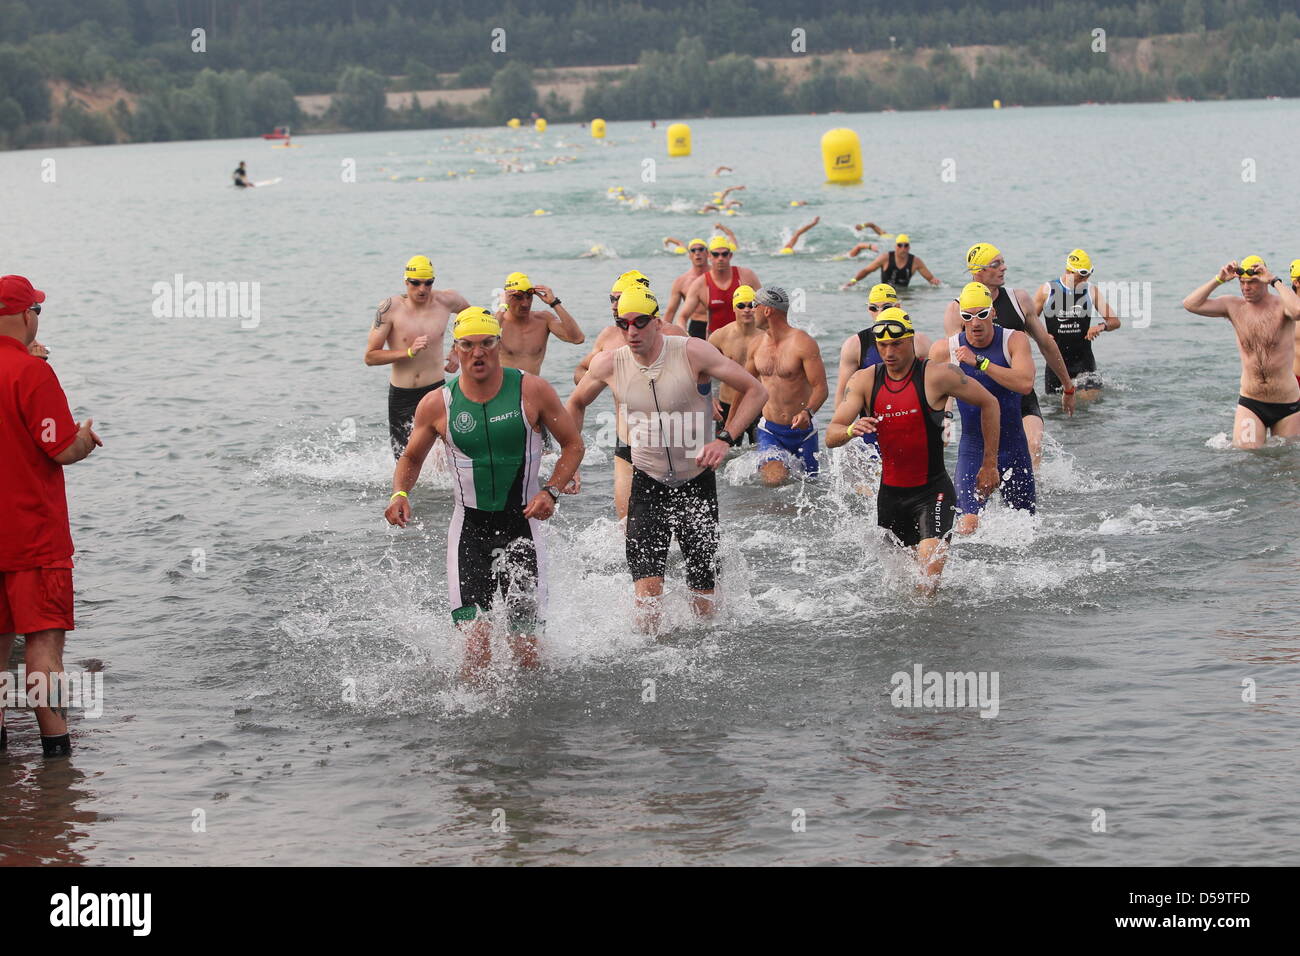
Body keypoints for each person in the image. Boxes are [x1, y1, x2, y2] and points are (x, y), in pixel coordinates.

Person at [384, 308, 583, 682]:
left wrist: (551, 491)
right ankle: (477, 738)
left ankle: (532, 733)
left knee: (527, 653)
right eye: (468, 345)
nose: (478, 353)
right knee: (475, 651)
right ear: (456, 350)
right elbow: (411, 456)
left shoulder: (531, 390)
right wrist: (399, 493)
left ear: (499, 345)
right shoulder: (438, 404)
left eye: (487, 343)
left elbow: (573, 444)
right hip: (468, 534)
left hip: (522, 529)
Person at [566, 287, 767, 631]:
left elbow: (756, 390)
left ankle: (707, 660)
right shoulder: (609, 363)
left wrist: (725, 439)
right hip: (647, 483)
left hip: (696, 482)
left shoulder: (692, 352)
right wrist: (569, 463)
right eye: (623, 324)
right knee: (647, 592)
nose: (632, 332)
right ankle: (650, 654)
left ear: (657, 322)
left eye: (640, 322)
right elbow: (575, 403)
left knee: (703, 593)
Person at [0, 275, 103, 757]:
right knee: (43, 648)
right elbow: (60, 450)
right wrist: (84, 437)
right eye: (37, 310)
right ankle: (56, 748)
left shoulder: (26, 366)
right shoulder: (32, 373)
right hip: (32, 536)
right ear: (26, 315)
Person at [827, 307, 1000, 592]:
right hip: (891, 498)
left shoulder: (938, 375)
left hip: (933, 492)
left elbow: (989, 402)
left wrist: (989, 463)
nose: (889, 351)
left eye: (896, 343)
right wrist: (849, 431)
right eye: (882, 345)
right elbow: (832, 434)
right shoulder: (864, 381)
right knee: (906, 586)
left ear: (910, 340)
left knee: (928, 576)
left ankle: (939, 635)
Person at [945, 243, 1075, 469]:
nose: (1004, 268)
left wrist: (1068, 386)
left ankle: (1038, 498)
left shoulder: (1019, 299)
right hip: (981, 398)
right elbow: (954, 365)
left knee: (1034, 445)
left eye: (1003, 262)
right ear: (978, 272)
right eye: (996, 264)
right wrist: (946, 414)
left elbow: (1046, 344)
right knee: (986, 463)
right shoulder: (957, 310)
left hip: (1019, 395)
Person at [574, 273, 688, 521]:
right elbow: (581, 372)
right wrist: (603, 380)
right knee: (627, 524)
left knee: (676, 524)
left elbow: (700, 373)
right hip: (628, 440)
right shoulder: (608, 336)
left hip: (671, 443)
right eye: (611, 298)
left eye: (619, 298)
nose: (614, 304)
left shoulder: (673, 333)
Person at [929, 282, 1036, 533]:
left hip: (1013, 448)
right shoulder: (946, 349)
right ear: (961, 318)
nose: (975, 323)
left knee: (1025, 531)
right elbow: (928, 395)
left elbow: (1025, 384)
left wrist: (981, 363)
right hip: (973, 449)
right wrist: (943, 419)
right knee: (967, 525)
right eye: (968, 316)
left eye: (982, 314)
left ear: (994, 313)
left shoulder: (1014, 340)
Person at [1181, 255, 1300, 447]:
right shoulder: (1233, 306)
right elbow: (1190, 304)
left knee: (1286, 465)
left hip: (1287, 403)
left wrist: (1274, 280)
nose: (1246, 288)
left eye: (1252, 282)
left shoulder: (1281, 306)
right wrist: (1218, 279)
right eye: (1242, 283)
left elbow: (1298, 311)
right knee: (1247, 459)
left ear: (1263, 280)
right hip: (1251, 402)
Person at [365, 255, 468, 458]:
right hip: (402, 396)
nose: (422, 288)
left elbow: (472, 317)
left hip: (436, 391)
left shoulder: (447, 301)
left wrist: (457, 350)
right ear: (406, 281)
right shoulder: (389, 308)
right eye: (415, 283)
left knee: (444, 458)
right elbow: (370, 356)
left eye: (428, 283)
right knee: (404, 460)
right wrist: (408, 352)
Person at [832, 284, 934, 454]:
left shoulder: (920, 342)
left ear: (898, 307)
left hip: (911, 430)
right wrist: (844, 433)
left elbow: (938, 387)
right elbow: (842, 396)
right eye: (874, 308)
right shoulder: (855, 345)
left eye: (886, 307)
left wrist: (943, 423)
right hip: (871, 436)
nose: (879, 313)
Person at [745, 286, 828, 483]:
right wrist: (728, 430)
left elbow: (821, 388)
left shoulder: (803, 343)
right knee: (774, 480)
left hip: (803, 432)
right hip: (770, 430)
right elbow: (744, 386)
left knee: (809, 488)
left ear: (767, 310)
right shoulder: (756, 345)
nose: (749, 310)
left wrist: (808, 412)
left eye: (753, 305)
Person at [1032, 249, 1120, 401]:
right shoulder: (1047, 290)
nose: (1085, 280)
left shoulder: (1091, 291)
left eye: (1088, 276)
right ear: (1069, 271)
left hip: (1083, 361)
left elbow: (1115, 322)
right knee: (1058, 412)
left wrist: (1101, 327)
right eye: (1082, 276)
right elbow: (1026, 323)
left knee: (1087, 409)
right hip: (1055, 363)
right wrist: (1041, 335)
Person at [494, 272, 585, 376]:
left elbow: (578, 338)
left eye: (529, 297)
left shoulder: (543, 320)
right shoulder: (497, 322)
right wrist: (502, 307)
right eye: (518, 298)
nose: (525, 303)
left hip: (533, 388)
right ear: (507, 298)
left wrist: (554, 303)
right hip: (505, 389)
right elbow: (488, 336)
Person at [707, 284, 762, 447]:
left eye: (751, 305)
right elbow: (703, 369)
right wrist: (711, 397)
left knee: (761, 455)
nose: (747, 309)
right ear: (734, 309)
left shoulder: (766, 336)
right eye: (741, 305)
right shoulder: (720, 336)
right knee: (724, 455)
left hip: (758, 406)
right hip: (726, 405)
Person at [677, 236, 761, 339]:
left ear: (730, 255)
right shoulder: (700, 284)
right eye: (716, 254)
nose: (720, 258)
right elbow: (682, 317)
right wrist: (685, 335)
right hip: (716, 342)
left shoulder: (747, 276)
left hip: (745, 338)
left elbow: (764, 307)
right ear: (709, 256)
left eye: (724, 254)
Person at [842, 234, 940, 289]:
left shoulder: (916, 261)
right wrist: (852, 281)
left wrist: (937, 284)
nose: (903, 248)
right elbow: (866, 271)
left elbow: (930, 279)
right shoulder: (885, 258)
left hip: (904, 294)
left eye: (905, 245)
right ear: (895, 246)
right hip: (885, 292)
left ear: (909, 247)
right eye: (900, 245)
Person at [663, 238, 710, 329]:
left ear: (708, 253)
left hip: (720, 324)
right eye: (693, 250)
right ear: (689, 255)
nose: (697, 253)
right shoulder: (681, 282)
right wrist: (663, 334)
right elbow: (671, 312)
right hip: (696, 325)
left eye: (701, 249)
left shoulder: (718, 276)